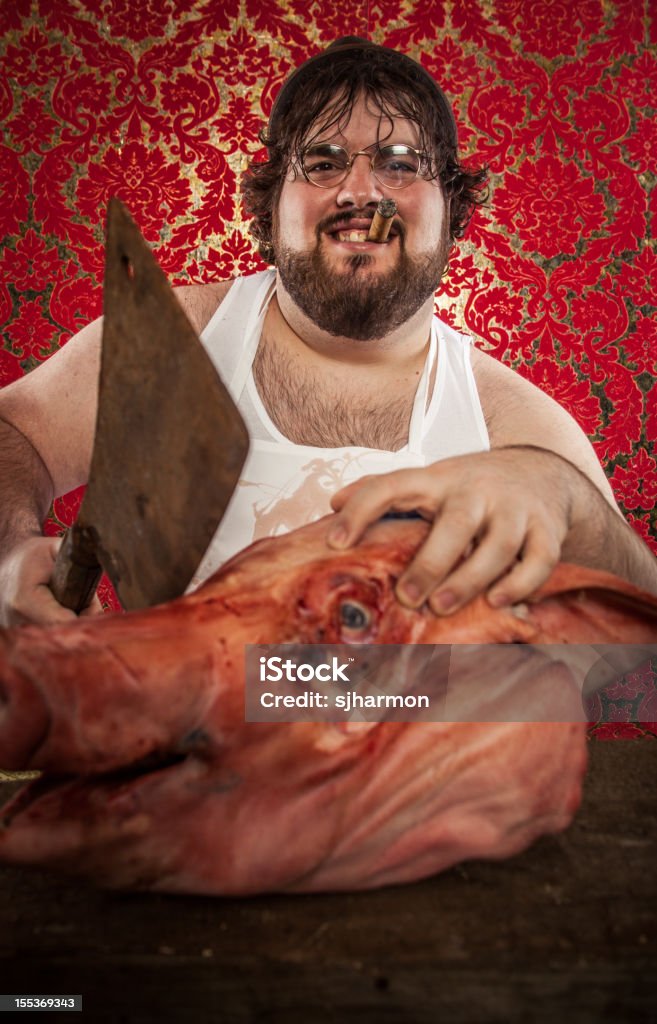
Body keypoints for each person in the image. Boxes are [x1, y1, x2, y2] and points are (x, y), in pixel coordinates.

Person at [0, 37, 655, 628]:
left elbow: (639, 628)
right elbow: (16, 431)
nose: (360, 192)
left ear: (452, 210)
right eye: (322, 162)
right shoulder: (173, 340)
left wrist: (566, 501)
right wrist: (10, 549)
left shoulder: (509, 427)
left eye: (400, 164)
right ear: (270, 204)